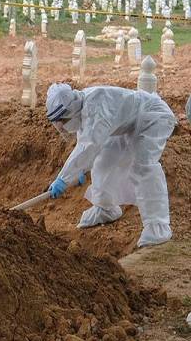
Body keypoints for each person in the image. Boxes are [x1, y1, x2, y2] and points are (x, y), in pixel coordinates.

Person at [46, 83, 176, 247]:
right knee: (103, 162)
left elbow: (89, 146)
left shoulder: (96, 106)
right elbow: (87, 143)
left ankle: (158, 227)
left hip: (153, 117)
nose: (62, 126)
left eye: (63, 120)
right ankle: (106, 209)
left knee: (143, 166)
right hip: (126, 125)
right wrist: (80, 170)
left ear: (70, 109)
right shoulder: (82, 108)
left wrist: (63, 179)